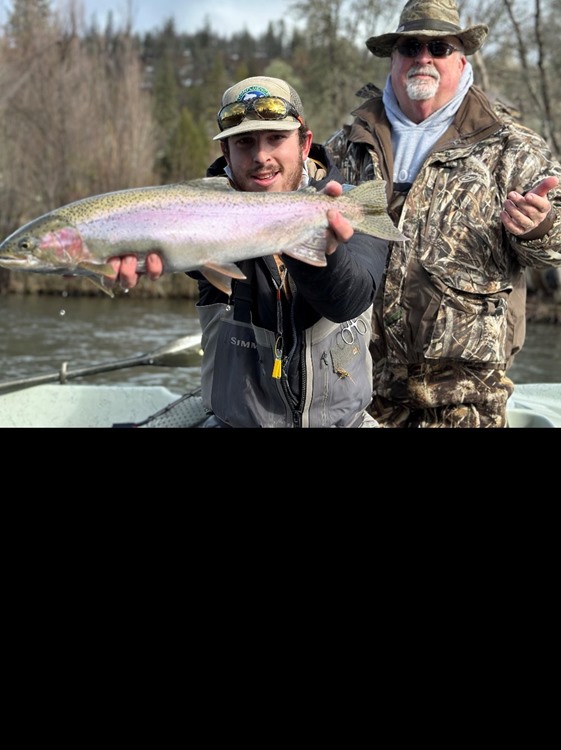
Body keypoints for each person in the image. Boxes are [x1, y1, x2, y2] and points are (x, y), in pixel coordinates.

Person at [325, 0, 561, 428]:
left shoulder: (511, 146)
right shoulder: (344, 147)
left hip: (468, 399)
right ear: (393, 58)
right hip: (355, 387)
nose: (423, 58)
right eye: (410, 47)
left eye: (439, 47)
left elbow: (557, 240)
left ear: (461, 59)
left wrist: (539, 226)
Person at [111, 76, 397, 427]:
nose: (261, 156)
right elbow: (150, 236)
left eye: (276, 138)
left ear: (304, 144)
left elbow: (346, 302)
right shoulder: (198, 216)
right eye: (245, 142)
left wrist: (311, 244)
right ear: (226, 152)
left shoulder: (353, 205)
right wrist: (115, 251)